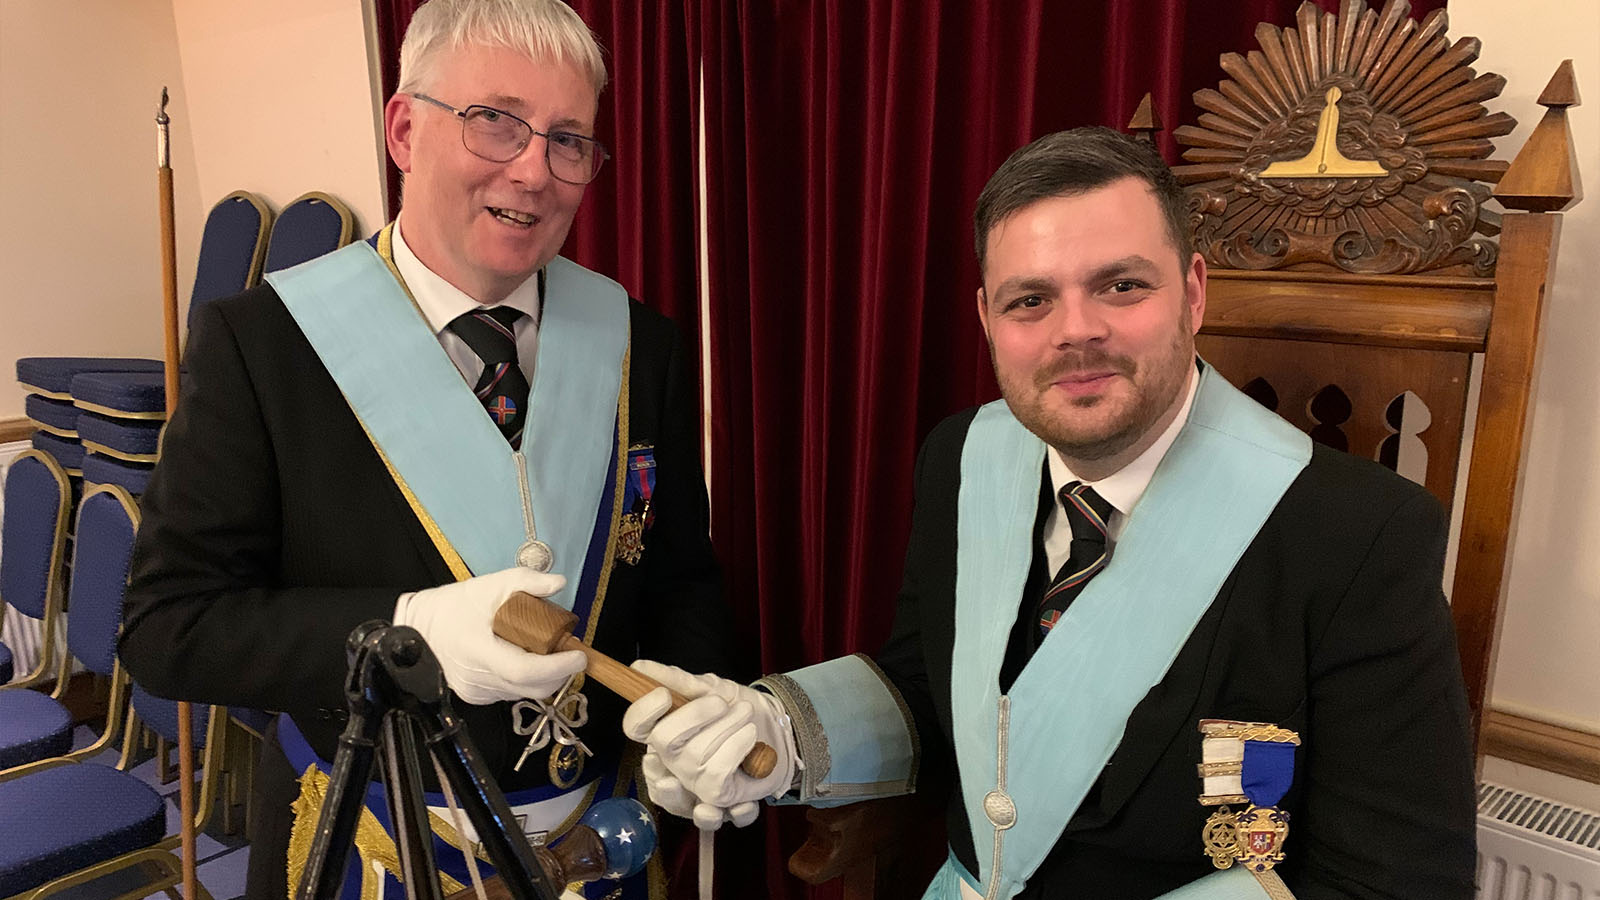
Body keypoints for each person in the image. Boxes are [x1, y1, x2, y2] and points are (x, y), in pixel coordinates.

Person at [621, 128, 1477, 899]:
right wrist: (781, 727)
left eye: (1120, 286)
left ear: (1193, 293)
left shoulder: (1362, 535)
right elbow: (937, 687)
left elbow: (1395, 877)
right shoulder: (963, 456)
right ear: (988, 319)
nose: (1078, 330)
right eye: (1032, 300)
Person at [119, 2, 732, 899]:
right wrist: (406, 632)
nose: (535, 171)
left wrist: (698, 710)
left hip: (598, 848)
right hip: (373, 842)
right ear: (405, 129)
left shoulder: (643, 342)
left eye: (570, 140)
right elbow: (168, 629)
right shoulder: (264, 346)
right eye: (496, 122)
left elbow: (681, 581)